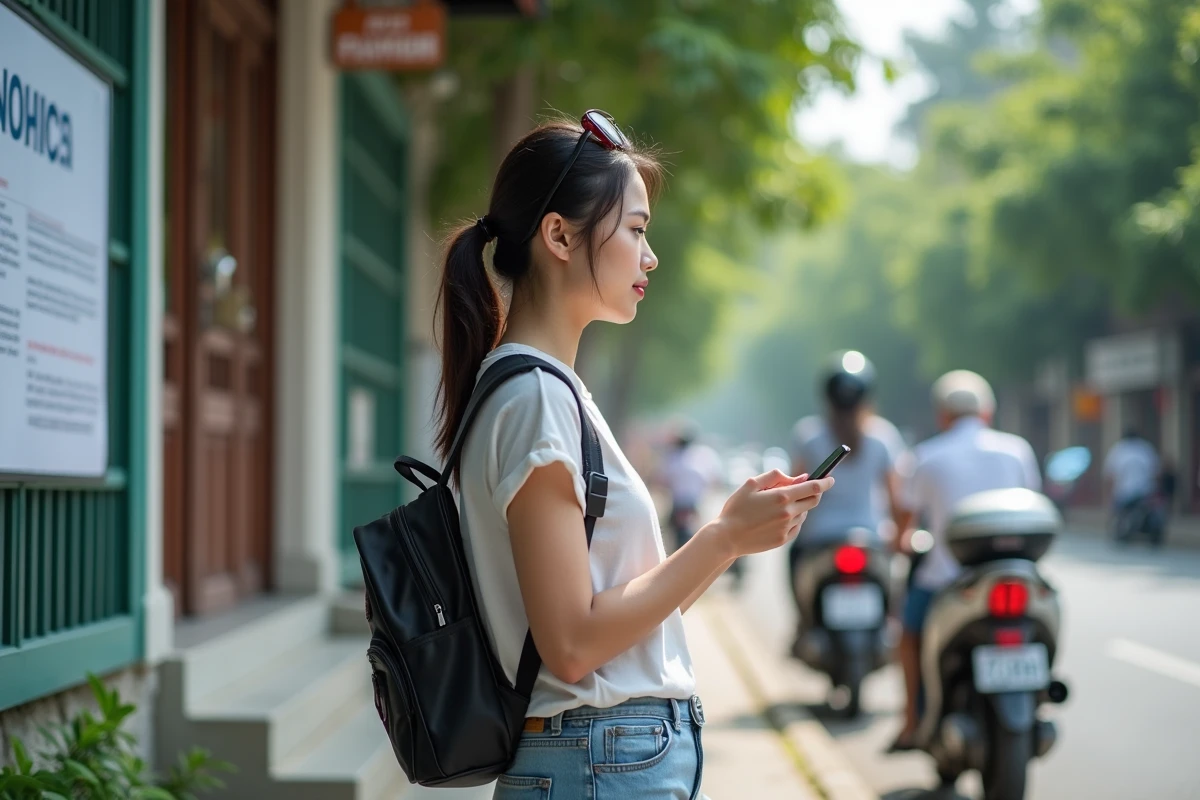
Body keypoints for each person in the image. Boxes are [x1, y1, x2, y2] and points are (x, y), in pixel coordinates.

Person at [437, 110, 834, 799]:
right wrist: (720, 538)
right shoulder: (534, 397)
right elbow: (572, 644)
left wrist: (733, 539)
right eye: (637, 230)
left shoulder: (551, 390)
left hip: (605, 753)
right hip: (598, 756)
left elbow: (619, 619)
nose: (650, 257)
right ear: (559, 235)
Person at [889, 370, 1041, 752]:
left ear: (943, 415)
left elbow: (905, 527)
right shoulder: (1017, 450)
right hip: (1014, 577)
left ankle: (911, 723)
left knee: (907, 639)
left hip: (947, 583)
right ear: (987, 412)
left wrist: (902, 542)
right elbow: (1034, 506)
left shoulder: (926, 456)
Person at [788, 351, 908, 646]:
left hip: (819, 538)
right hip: (872, 537)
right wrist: (900, 538)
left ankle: (803, 623)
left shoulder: (809, 435)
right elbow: (897, 499)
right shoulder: (884, 436)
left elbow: (795, 490)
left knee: (792, 557)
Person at [661, 427, 724, 551]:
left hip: (680, 502)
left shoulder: (672, 456)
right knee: (700, 530)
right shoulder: (704, 455)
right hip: (693, 502)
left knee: (665, 531)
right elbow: (714, 479)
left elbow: (663, 480)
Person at [1103, 428, 1161, 541]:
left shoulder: (1118, 449)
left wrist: (1109, 496)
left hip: (1125, 492)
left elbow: (1110, 475)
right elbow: (1156, 472)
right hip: (1145, 491)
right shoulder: (1146, 448)